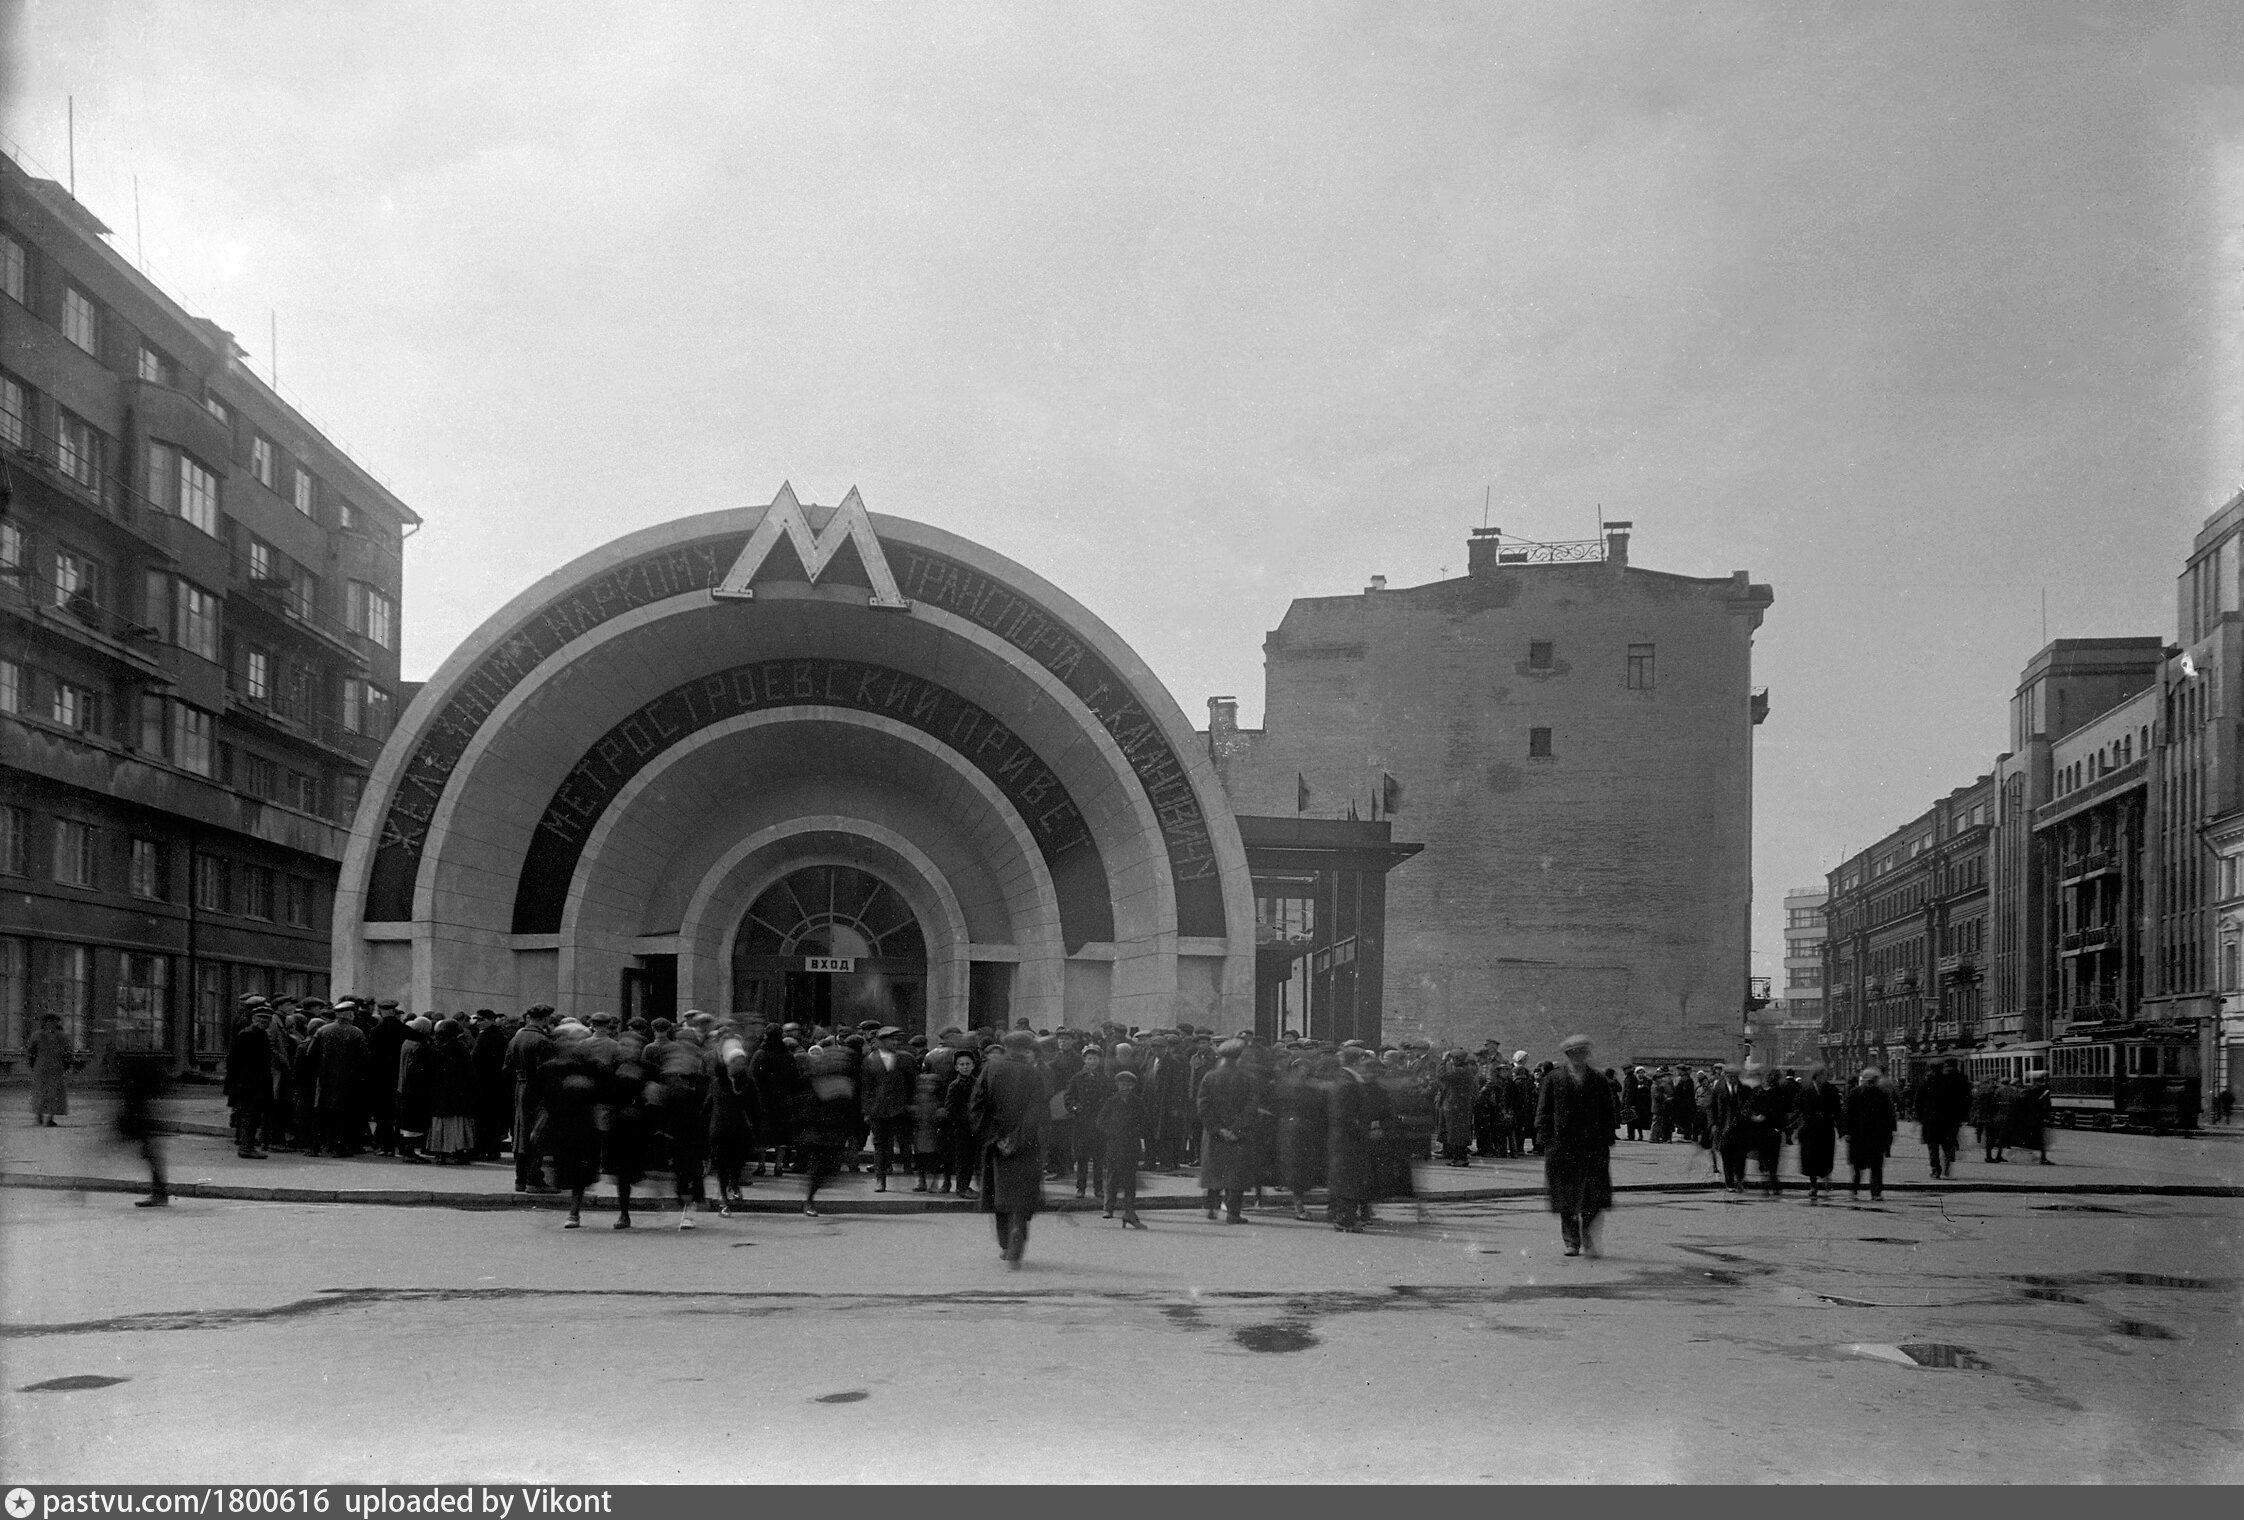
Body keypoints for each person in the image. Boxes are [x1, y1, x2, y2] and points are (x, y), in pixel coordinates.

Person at [972, 1029, 1048, 1267]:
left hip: (996, 1143)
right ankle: (1017, 1230)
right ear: (1025, 1049)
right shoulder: (1033, 1074)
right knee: (1022, 1194)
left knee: (999, 1193)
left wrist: (994, 1137)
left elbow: (977, 1105)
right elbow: (1036, 1111)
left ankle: (1005, 1243)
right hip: (1025, 1144)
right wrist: (1019, 1137)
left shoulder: (991, 1069)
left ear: (1005, 1048)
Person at [1536, 1034, 1617, 1257]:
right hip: (1563, 1147)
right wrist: (1546, 1139)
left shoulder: (1598, 1080)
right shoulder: (1554, 1078)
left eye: (1584, 1053)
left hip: (1592, 1147)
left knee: (1592, 1196)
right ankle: (1572, 1241)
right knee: (1566, 1197)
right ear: (1569, 1055)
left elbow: (1609, 1113)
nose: (1580, 1057)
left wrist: (1607, 1139)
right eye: (1576, 1053)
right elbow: (1544, 1111)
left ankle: (1590, 1241)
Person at [536, 1025, 604, 1227]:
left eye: (575, 1040)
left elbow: (602, 1093)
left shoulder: (591, 1067)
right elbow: (541, 1098)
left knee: (579, 1170)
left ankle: (574, 1212)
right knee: (562, 1166)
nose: (570, 1043)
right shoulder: (549, 1068)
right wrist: (539, 1123)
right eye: (565, 1039)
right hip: (558, 1123)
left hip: (583, 1124)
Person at [1196, 1040, 1257, 1223]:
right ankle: (1233, 1213)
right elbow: (1251, 1108)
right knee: (1235, 1174)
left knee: (1214, 1170)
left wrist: (1218, 1128)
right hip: (1238, 1134)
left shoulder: (1210, 1076)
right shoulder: (1248, 1078)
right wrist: (1236, 1129)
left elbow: (1203, 1106)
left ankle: (1211, 1208)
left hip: (1215, 1133)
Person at [1326, 1047, 1385, 1233]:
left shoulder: (1343, 1079)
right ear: (1356, 1061)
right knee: (1349, 1178)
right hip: (1349, 1138)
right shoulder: (1349, 1083)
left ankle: (1343, 1217)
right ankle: (1346, 1220)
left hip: (1343, 1137)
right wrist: (1364, 1132)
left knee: (1345, 1177)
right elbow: (1346, 1116)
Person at [307, 1002, 372, 1157]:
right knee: (342, 1117)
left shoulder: (323, 1030)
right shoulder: (356, 1032)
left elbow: (310, 1053)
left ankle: (313, 1147)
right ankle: (338, 1148)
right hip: (347, 1082)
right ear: (349, 1015)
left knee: (321, 1114)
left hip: (324, 1080)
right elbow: (364, 1059)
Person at [859, 1026, 919, 1194]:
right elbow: (866, 1089)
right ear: (880, 1042)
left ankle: (909, 1170)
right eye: (889, 1040)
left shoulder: (905, 1059)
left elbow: (912, 1084)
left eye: (896, 1040)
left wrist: (911, 1104)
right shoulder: (870, 1060)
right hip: (878, 1110)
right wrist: (867, 1111)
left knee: (904, 1140)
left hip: (900, 1110)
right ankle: (880, 1179)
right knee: (880, 1145)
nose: (894, 1043)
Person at [505, 1005, 558, 1192]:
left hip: (520, 1087)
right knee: (537, 1134)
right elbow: (546, 1071)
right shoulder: (542, 1040)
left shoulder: (516, 1037)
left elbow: (507, 1068)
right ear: (544, 1019)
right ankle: (534, 1179)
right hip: (537, 1091)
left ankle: (521, 1178)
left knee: (521, 1134)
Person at [115, 1044, 172, 1208]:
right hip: (145, 1122)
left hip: (142, 1122)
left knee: (152, 1156)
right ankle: (159, 1193)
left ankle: (159, 1194)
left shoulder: (135, 1077)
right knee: (152, 1156)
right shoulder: (150, 1077)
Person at [1096, 1068, 1149, 1227]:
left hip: (1131, 1145)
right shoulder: (1111, 1101)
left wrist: (1135, 1132)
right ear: (1117, 1085)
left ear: (1132, 1086)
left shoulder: (1138, 1102)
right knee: (1112, 1176)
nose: (1124, 1087)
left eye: (1127, 1084)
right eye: (1121, 1084)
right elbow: (1100, 1121)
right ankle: (1108, 1207)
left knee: (1130, 1179)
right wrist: (1111, 1132)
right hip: (1114, 1144)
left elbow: (1145, 1122)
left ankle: (1129, 1209)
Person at [425, 1018, 480, 1164]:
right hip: (458, 1091)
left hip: (439, 1090)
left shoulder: (433, 1047)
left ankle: (440, 1153)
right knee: (458, 1121)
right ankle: (457, 1151)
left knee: (440, 1121)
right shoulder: (459, 1047)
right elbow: (469, 1071)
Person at [224, 1006, 275, 1158]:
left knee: (252, 1115)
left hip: (256, 1084)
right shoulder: (247, 1034)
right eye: (259, 1019)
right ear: (253, 1019)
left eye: (266, 1020)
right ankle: (246, 1148)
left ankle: (248, 1146)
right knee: (248, 1115)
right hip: (246, 1084)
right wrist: (235, 1082)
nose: (262, 1022)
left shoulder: (261, 1034)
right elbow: (233, 1060)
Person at [1843, 1067, 1897, 1201]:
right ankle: (1855, 1189)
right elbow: (1848, 1114)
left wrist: (1889, 1133)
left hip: (1875, 1136)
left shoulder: (1882, 1094)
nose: (1872, 1084)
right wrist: (1848, 1132)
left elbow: (1889, 1115)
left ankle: (1876, 1192)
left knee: (1876, 1166)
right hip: (1859, 1135)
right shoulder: (1855, 1093)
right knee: (1858, 1166)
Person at [1066, 1047, 1113, 1201]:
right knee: (1082, 1158)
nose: (1092, 1062)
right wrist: (1075, 1108)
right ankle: (1080, 1189)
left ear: (1099, 1061)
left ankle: (1098, 1189)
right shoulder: (1077, 1078)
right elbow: (1068, 1098)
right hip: (1082, 1123)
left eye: (1095, 1058)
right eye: (1089, 1058)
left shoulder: (1105, 1079)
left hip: (1099, 1124)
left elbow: (1110, 1098)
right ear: (1084, 1060)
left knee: (1099, 1159)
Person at [1794, 1064, 1842, 1202]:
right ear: (1816, 1076)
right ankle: (1813, 1185)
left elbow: (1837, 1111)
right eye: (1822, 1075)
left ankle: (1826, 1175)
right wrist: (1796, 1127)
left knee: (1826, 1156)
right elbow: (1799, 1108)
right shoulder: (1806, 1090)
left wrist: (1841, 1130)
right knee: (1811, 1158)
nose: (1824, 1078)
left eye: (1825, 1075)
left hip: (1826, 1128)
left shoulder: (1831, 1090)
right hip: (1810, 1129)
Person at [942, 1051, 981, 1198]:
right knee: (962, 1159)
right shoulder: (955, 1085)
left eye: (968, 1064)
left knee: (970, 1159)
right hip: (961, 1128)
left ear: (973, 1066)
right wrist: (963, 1120)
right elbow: (950, 1108)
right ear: (956, 1067)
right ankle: (961, 1188)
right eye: (961, 1064)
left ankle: (966, 1185)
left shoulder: (977, 1082)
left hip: (974, 1127)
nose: (965, 1067)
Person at [27, 1014, 73, 1127]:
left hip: (40, 1066)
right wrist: (66, 1065)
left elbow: (31, 1052)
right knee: (54, 1092)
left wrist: (33, 1064)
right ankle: (50, 1118)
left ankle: (39, 1116)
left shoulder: (36, 1035)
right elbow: (67, 1054)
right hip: (56, 1067)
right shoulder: (62, 1036)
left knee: (40, 1091)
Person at [1434, 1051, 1477, 1166]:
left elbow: (1441, 1075)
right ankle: (1459, 1158)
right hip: (1460, 1105)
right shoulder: (1465, 1070)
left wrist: (1443, 1061)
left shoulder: (1459, 1071)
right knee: (1458, 1133)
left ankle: (1460, 1159)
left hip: (1455, 1106)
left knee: (1456, 1133)